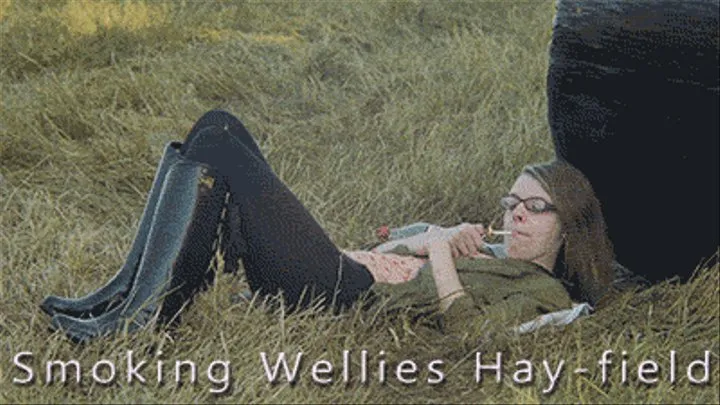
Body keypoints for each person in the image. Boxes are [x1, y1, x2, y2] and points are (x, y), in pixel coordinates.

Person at [40, 110, 617, 343]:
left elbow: (472, 334)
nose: (514, 214)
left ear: (569, 227)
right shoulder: (488, 245)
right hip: (345, 265)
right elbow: (385, 248)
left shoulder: (543, 292)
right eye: (511, 201)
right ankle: (121, 296)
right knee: (219, 126)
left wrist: (440, 258)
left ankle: (140, 315)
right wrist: (421, 241)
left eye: (533, 208)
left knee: (219, 142)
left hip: (337, 292)